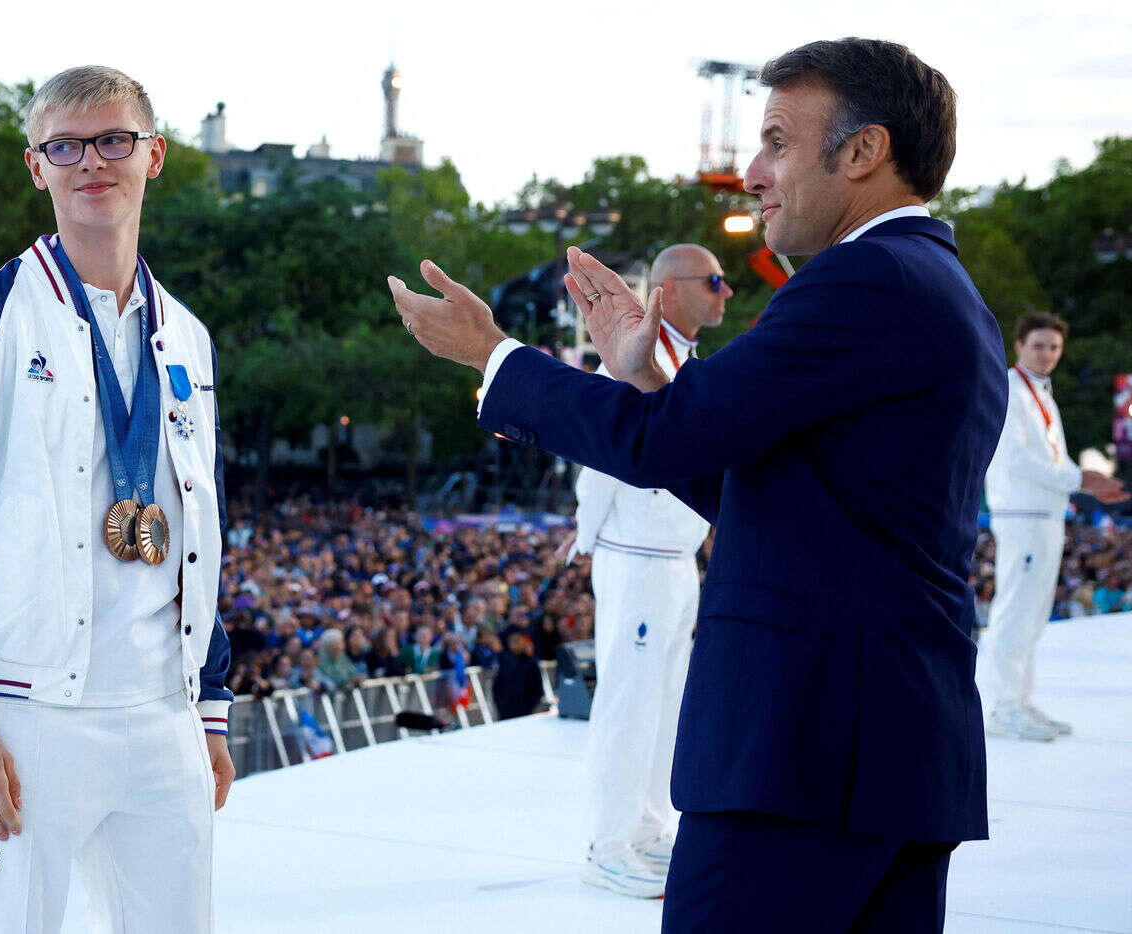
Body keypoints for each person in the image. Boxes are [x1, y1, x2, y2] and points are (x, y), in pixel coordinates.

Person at [391, 38, 1007, 931]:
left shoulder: (861, 280)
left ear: (864, 151)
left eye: (777, 142)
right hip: (885, 752)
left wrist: (495, 358)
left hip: (802, 752)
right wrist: (644, 378)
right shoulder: (936, 285)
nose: (753, 173)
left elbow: (660, 445)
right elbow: (786, 497)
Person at [0, 66, 233, 933]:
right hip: (22, 713)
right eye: (64, 145)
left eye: (114, 140)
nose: (90, 162)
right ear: (37, 167)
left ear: (155, 154)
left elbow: (204, 530)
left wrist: (209, 705)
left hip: (161, 713)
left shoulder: (188, 335)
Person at [561, 243, 729, 897]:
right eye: (714, 280)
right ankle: (608, 843)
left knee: (665, 705)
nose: (727, 292)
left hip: (676, 558)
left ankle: (648, 826)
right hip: (636, 557)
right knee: (629, 705)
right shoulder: (630, 355)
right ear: (669, 291)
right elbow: (600, 452)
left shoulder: (688, 364)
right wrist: (585, 532)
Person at [979, 313, 1126, 740]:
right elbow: (1018, 459)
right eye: (1039, 345)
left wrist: (1085, 480)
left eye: (1054, 347)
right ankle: (1005, 708)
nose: (1047, 354)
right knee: (1015, 612)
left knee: (1033, 615)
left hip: (1044, 514)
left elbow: (1049, 462)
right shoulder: (1010, 388)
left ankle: (1020, 702)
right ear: (1020, 345)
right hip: (1022, 515)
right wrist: (1083, 480)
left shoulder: (1039, 392)